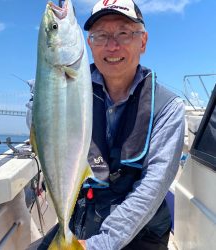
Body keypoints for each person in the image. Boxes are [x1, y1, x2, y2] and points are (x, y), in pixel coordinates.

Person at [37, 0, 185, 249]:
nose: (112, 45)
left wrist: (97, 245)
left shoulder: (168, 108)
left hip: (140, 232)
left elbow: (151, 189)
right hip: (81, 219)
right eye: (101, 35)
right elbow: (47, 133)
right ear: (89, 45)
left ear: (143, 42)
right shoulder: (71, 88)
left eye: (124, 33)